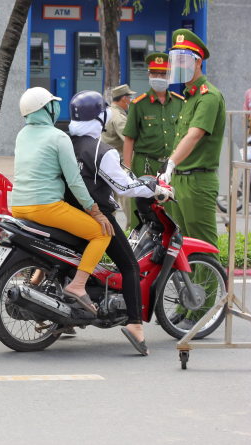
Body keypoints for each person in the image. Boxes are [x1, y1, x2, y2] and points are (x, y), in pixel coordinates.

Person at [66, 91, 174, 355]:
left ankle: (63, 321)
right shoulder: (101, 151)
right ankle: (136, 325)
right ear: (100, 117)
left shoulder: (66, 143)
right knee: (129, 266)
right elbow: (123, 186)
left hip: (67, 215)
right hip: (97, 216)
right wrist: (154, 190)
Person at [11, 87, 113, 315]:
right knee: (101, 233)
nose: (56, 107)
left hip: (18, 208)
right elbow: (75, 180)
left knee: (62, 244)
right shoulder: (58, 137)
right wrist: (94, 210)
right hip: (46, 207)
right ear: (46, 109)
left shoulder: (21, 135)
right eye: (52, 104)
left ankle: (44, 304)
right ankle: (78, 285)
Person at [158, 29, 225, 331]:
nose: (179, 65)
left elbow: (194, 136)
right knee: (181, 246)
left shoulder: (208, 97)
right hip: (181, 182)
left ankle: (203, 311)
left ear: (198, 62)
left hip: (198, 182)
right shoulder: (187, 97)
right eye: (176, 59)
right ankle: (190, 303)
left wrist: (171, 163)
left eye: (184, 59)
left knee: (202, 248)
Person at [122, 53, 184, 229]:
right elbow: (129, 139)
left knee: (170, 213)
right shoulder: (139, 104)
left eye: (163, 74)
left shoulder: (180, 103)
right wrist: (127, 170)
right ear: (149, 75)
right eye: (155, 74)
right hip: (145, 164)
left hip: (171, 165)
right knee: (142, 213)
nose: (159, 78)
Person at [101, 84, 135, 229]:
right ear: (124, 98)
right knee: (128, 202)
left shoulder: (108, 112)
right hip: (120, 164)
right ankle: (132, 229)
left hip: (107, 164)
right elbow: (129, 139)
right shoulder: (120, 117)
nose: (130, 100)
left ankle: (109, 232)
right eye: (129, 97)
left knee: (110, 204)